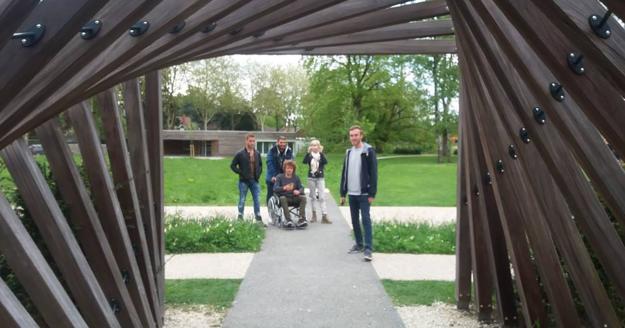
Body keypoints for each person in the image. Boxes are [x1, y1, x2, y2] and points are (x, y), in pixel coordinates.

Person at [340, 125, 378, 262]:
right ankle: (359, 244)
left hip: (364, 193)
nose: (353, 138)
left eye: (356, 135)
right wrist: (342, 193)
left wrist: (372, 193)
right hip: (352, 193)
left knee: (365, 220)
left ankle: (368, 249)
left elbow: (374, 173)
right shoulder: (348, 152)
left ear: (361, 135)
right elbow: (344, 173)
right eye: (351, 135)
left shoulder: (368, 151)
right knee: (354, 220)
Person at [230, 133, 263, 224]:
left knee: (257, 199)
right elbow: (232, 166)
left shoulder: (257, 153)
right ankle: (240, 217)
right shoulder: (240, 154)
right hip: (243, 181)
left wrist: (258, 174)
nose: (252, 143)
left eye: (253, 141)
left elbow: (260, 165)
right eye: (250, 141)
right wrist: (241, 172)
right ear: (246, 141)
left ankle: (258, 217)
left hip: (255, 181)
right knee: (242, 199)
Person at [303, 139, 331, 224]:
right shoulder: (309, 155)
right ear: (310, 147)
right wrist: (308, 153)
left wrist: (321, 153)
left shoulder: (321, 155)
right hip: (311, 178)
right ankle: (314, 214)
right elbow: (304, 161)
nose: (314, 147)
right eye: (313, 145)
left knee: (322, 197)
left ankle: (324, 215)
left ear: (319, 147)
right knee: (313, 197)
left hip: (320, 178)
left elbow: (326, 162)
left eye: (316, 145)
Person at [273, 160, 307, 228]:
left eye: (291, 168)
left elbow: (301, 188)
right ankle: (288, 220)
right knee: (282, 198)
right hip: (285, 198)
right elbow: (275, 188)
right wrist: (284, 188)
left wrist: (298, 191)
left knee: (303, 198)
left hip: (294, 197)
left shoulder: (296, 177)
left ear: (293, 169)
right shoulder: (279, 177)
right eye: (288, 168)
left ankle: (301, 219)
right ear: (285, 169)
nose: (289, 170)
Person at [266, 136, 294, 204]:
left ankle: (281, 209)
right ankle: (270, 209)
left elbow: (291, 164)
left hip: (283, 176)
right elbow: (269, 163)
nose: (283, 144)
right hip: (272, 176)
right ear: (277, 142)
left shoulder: (289, 151)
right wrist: (274, 176)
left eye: (284, 142)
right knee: (271, 194)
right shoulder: (272, 151)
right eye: (281, 142)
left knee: (283, 194)